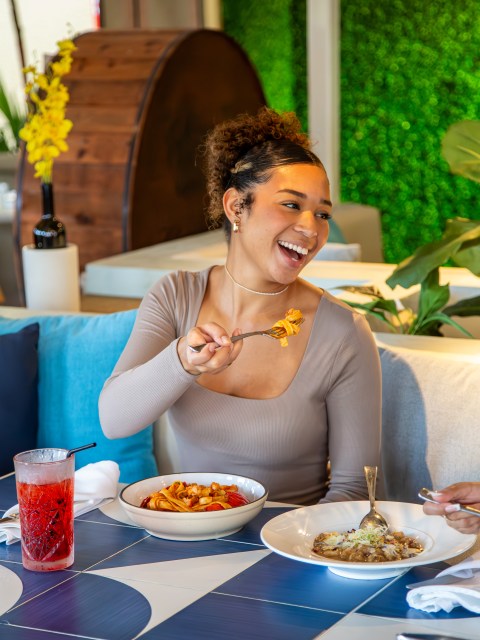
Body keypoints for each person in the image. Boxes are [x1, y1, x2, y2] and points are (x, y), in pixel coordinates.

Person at [99, 107, 382, 505]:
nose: (311, 228)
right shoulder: (176, 296)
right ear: (236, 207)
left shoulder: (343, 332)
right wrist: (182, 360)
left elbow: (354, 490)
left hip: (291, 549)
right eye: (290, 204)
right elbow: (114, 421)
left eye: (322, 214)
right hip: (186, 536)